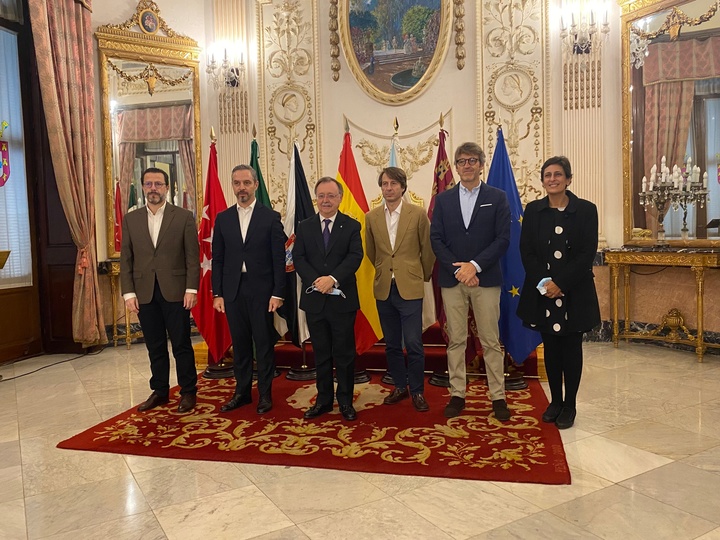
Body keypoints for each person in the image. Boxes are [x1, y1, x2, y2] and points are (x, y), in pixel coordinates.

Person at [517, 156, 600, 429]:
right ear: (542, 181)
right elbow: (527, 252)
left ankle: (570, 404)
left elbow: (586, 254)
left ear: (568, 178)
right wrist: (545, 284)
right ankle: (555, 401)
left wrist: (560, 284)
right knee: (551, 349)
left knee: (571, 349)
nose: (552, 179)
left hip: (574, 293)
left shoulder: (586, 210)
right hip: (543, 293)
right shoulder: (533, 210)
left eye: (558, 174)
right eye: (547, 175)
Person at [430, 142, 511, 420]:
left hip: (485, 279)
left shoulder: (497, 197)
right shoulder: (443, 200)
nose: (467, 165)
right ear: (456, 165)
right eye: (462, 161)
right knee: (456, 340)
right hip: (453, 280)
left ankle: (497, 397)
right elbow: (436, 239)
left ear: (481, 164)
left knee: (490, 340)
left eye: (472, 160)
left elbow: (502, 239)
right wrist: (459, 270)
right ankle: (457, 394)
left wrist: (474, 266)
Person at [120, 167, 200, 413]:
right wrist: (129, 293)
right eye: (148, 184)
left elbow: (191, 257)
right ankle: (160, 391)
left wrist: (191, 289)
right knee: (154, 345)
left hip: (176, 291)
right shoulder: (131, 219)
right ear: (142, 187)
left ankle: (188, 392)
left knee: (181, 344)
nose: (153, 188)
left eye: (158, 184)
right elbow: (127, 258)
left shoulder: (184, 216)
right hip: (144, 293)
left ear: (167, 187)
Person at [212, 164, 286, 415]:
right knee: (241, 345)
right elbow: (218, 259)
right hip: (233, 292)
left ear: (255, 185)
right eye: (236, 183)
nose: (241, 188)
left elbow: (278, 259)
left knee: (263, 345)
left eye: (246, 183)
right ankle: (242, 393)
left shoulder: (270, 217)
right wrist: (217, 293)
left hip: (262, 292)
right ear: (232, 186)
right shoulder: (223, 219)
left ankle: (265, 394)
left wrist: (278, 293)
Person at [293, 176, 363, 421]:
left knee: (344, 354)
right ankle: (323, 400)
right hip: (315, 300)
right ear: (316, 198)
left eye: (331, 196)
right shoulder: (304, 226)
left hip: (342, 301)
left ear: (339, 198)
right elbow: (299, 258)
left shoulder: (352, 226)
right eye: (321, 196)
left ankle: (345, 401)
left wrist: (332, 278)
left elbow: (355, 257)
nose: (325, 200)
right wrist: (317, 280)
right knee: (320, 353)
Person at [365, 167, 435, 412]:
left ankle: (417, 391)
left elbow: (427, 249)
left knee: (414, 343)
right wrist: (386, 270)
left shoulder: (417, 214)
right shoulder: (371, 217)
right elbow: (371, 252)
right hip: (384, 287)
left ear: (403, 187)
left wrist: (421, 275)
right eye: (384, 184)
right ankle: (399, 386)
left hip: (411, 286)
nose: (389, 188)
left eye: (393, 183)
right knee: (392, 344)